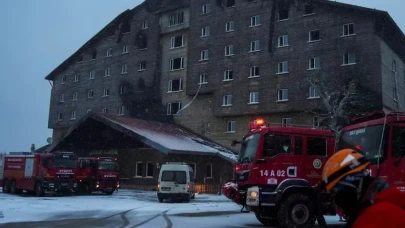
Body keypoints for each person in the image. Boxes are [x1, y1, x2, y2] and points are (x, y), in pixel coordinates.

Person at [321, 149, 405, 228]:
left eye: (335, 191)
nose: (336, 203)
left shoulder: (376, 217)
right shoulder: (381, 206)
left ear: (353, 184)